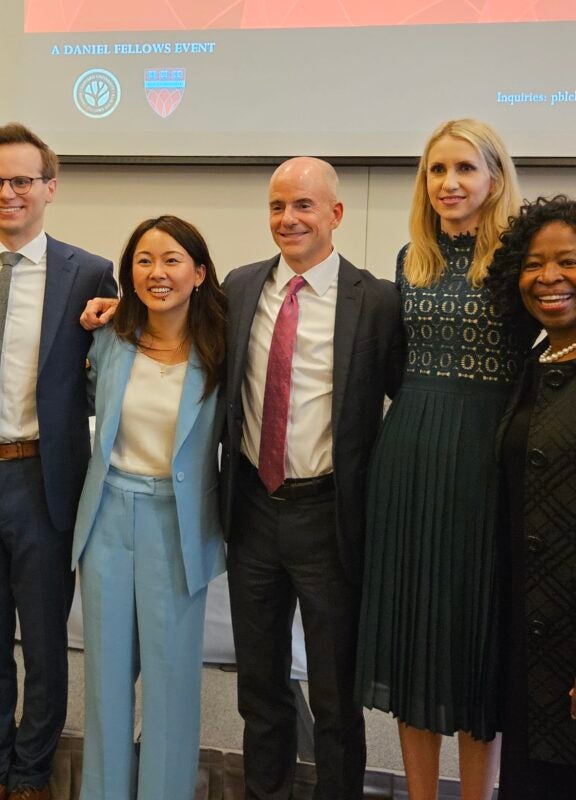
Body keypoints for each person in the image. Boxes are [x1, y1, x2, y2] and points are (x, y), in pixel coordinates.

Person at [0, 123, 115, 800]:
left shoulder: (88, 273)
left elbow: (104, 374)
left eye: (22, 181)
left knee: (43, 644)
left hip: (44, 477)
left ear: (50, 189)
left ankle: (33, 772)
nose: (8, 193)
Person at [355, 119, 530, 799]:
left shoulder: (521, 259)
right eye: (436, 171)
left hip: (486, 463)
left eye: (464, 169)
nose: (449, 184)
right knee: (414, 637)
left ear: (494, 178)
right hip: (409, 458)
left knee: (475, 642)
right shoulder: (411, 258)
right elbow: (394, 364)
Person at [220, 157, 403, 799]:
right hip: (253, 510)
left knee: (333, 692)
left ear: (336, 215)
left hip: (328, 518)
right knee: (260, 687)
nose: (288, 219)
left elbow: (407, 402)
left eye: (303, 205)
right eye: (277, 206)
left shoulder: (377, 301)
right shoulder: (240, 287)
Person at [72, 215, 227, 799]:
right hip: (108, 514)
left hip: (178, 521)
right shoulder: (108, 339)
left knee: (171, 681)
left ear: (199, 272)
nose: (156, 272)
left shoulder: (222, 346)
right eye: (143, 260)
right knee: (107, 678)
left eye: (171, 260)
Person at [486, 195, 576, 799]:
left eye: (567, 261)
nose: (548, 278)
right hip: (532, 636)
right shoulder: (540, 362)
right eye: (533, 264)